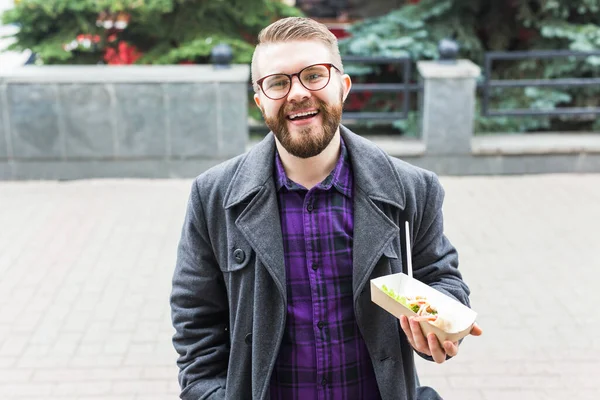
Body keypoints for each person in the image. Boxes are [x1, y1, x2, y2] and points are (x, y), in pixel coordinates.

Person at [170, 16, 482, 400]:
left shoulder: (412, 189)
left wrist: (441, 324)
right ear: (259, 101)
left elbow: (442, 278)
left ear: (343, 86)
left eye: (314, 75)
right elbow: (195, 326)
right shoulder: (213, 197)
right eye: (278, 82)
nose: (297, 93)